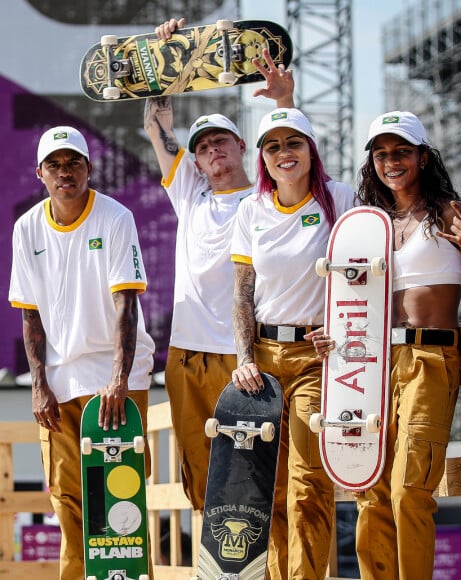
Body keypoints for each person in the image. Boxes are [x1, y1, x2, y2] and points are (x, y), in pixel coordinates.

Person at [311, 111, 461, 579]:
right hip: (372, 362)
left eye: (401, 151)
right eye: (381, 154)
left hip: (429, 358)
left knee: (408, 489)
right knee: (369, 488)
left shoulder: (448, 212)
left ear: (422, 156)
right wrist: (332, 335)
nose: (391, 161)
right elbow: (357, 302)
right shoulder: (369, 225)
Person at [143, 18, 296, 514]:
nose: (211, 150)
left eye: (220, 142)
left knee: (257, 476)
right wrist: (164, 62)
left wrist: (282, 102)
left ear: (242, 148)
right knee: (200, 472)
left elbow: (295, 152)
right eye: (203, 146)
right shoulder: (190, 194)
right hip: (186, 356)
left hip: (243, 356)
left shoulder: (265, 198)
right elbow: (156, 127)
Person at [8, 126, 156, 579]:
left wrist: (118, 380)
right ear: (39, 173)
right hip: (59, 380)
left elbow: (125, 303)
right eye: (54, 164)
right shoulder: (27, 227)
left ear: (89, 168)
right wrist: (38, 385)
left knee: (121, 499)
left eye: (73, 163)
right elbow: (30, 316)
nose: (64, 172)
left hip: (116, 379)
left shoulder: (115, 217)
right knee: (67, 499)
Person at [230, 107, 355, 579]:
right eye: (273, 145)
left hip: (315, 359)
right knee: (270, 488)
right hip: (262, 359)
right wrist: (244, 358)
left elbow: (363, 271)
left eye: (294, 143)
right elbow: (243, 291)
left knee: (308, 485)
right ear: (262, 156)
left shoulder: (338, 198)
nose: (285, 153)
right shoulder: (251, 209)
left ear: (310, 149)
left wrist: (343, 325)